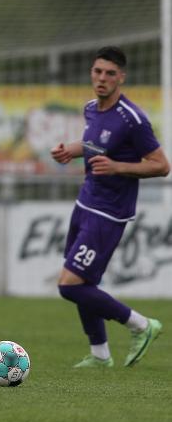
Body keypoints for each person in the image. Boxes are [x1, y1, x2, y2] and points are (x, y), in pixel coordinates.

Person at [51, 46, 168, 368]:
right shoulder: (91, 108)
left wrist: (118, 167)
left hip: (109, 212)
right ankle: (100, 355)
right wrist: (70, 151)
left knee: (69, 285)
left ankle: (142, 325)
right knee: (83, 283)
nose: (102, 79)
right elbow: (93, 145)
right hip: (85, 202)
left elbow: (161, 165)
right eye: (97, 72)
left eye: (110, 74)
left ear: (121, 78)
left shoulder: (133, 120)